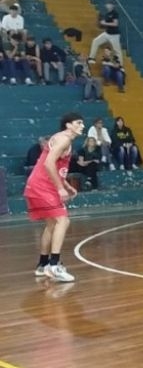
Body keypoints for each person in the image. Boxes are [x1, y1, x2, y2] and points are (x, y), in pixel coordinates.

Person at [24, 112, 85, 283]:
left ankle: (43, 265)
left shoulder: (62, 138)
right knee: (62, 221)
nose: (82, 126)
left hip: (37, 184)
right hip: (43, 186)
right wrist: (60, 188)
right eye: (78, 123)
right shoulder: (64, 139)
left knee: (52, 224)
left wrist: (66, 185)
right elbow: (48, 163)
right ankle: (54, 265)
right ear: (68, 125)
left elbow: (56, 167)